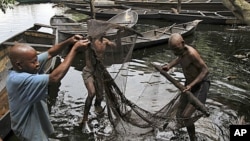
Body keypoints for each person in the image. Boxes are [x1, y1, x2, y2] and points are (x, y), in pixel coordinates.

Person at [6, 35, 90, 141]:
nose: (37, 64)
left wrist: (69, 41)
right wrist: (74, 49)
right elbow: (55, 78)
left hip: (36, 119)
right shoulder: (18, 80)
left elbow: (50, 53)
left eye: (37, 59)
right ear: (19, 65)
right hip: (28, 129)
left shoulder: (27, 66)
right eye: (33, 62)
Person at [162, 33, 210, 141]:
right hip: (188, 85)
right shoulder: (181, 52)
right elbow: (179, 58)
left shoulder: (192, 53)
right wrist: (169, 66)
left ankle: (193, 139)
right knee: (180, 112)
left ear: (183, 43)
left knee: (186, 115)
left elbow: (205, 70)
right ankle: (181, 135)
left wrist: (191, 85)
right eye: (172, 50)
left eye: (176, 49)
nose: (174, 52)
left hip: (200, 85)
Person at [81, 37, 116, 133]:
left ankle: (97, 109)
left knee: (100, 96)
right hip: (89, 71)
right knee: (92, 93)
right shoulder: (89, 41)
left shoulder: (105, 41)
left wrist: (113, 42)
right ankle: (84, 119)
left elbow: (114, 46)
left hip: (99, 71)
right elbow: (81, 44)